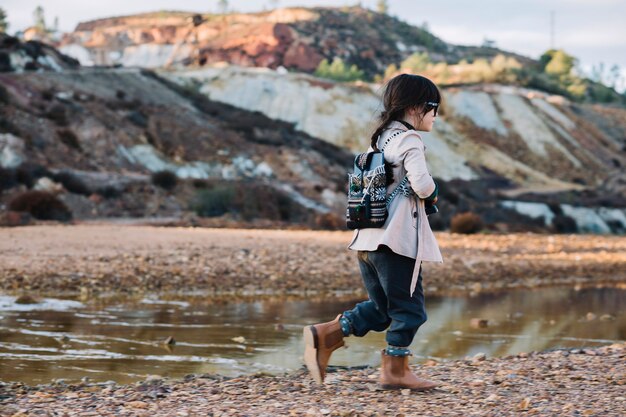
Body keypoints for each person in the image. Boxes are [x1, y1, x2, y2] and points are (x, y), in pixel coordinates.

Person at [303, 73, 443, 391]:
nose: (436, 115)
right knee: (410, 310)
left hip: (367, 240)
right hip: (396, 242)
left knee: (383, 309)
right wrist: (434, 192)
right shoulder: (409, 140)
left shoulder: (379, 140)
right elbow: (422, 186)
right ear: (415, 108)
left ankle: (327, 335)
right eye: (434, 107)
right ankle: (395, 369)